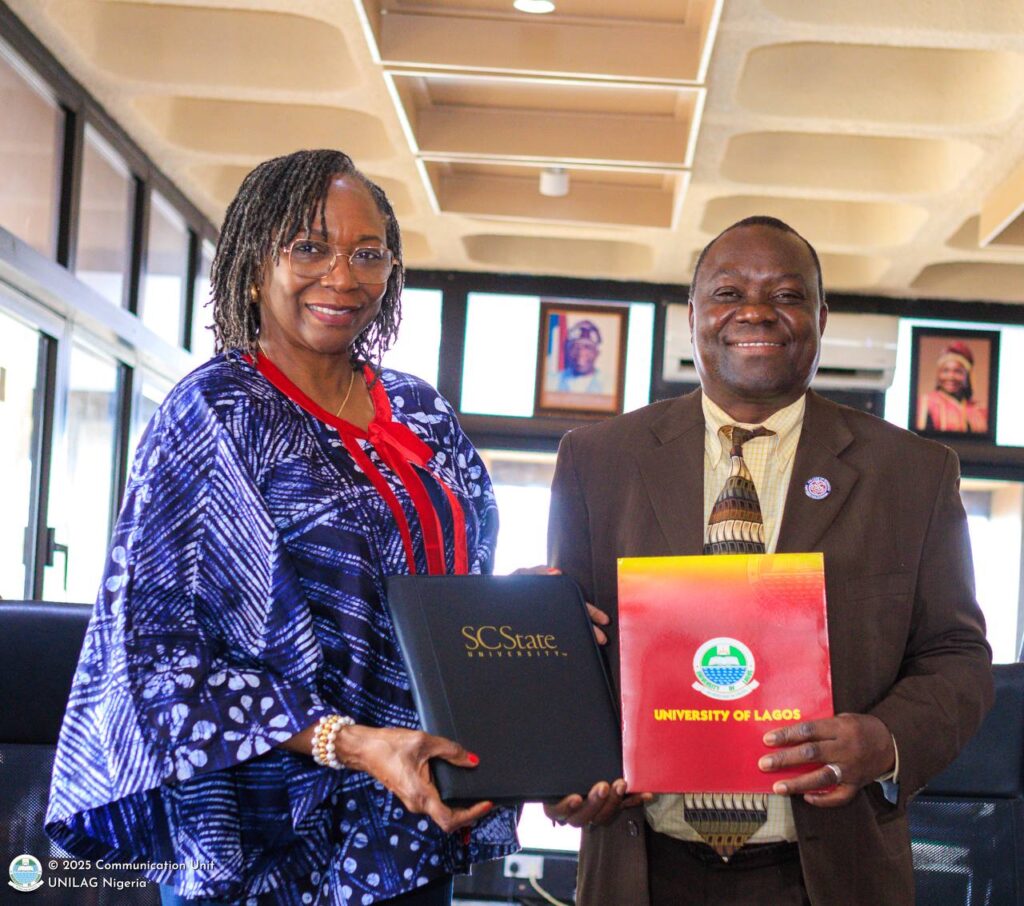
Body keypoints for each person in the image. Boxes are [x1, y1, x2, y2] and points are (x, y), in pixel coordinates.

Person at [46, 149, 517, 905]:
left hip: (410, 820)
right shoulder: (215, 414)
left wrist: (530, 615)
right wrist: (350, 743)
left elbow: (456, 588)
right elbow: (155, 654)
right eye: (309, 247)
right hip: (267, 837)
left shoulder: (421, 410)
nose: (342, 276)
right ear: (252, 264)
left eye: (368, 253)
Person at [544, 216, 993, 905]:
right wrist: (568, 770)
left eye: (785, 295)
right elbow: (573, 648)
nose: (754, 311)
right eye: (728, 293)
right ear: (693, 316)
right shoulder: (597, 461)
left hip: (832, 873)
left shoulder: (913, 472)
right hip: (641, 866)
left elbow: (956, 655)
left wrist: (884, 740)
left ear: (821, 317)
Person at [917, 340, 988, 433]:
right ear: (938, 374)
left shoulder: (979, 410)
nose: (951, 377)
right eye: (945, 371)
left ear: (967, 376)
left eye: (958, 371)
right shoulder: (925, 403)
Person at [554, 320, 605, 393]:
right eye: (575, 347)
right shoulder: (552, 381)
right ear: (568, 351)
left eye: (587, 347)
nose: (581, 353)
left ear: (596, 353)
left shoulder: (610, 385)